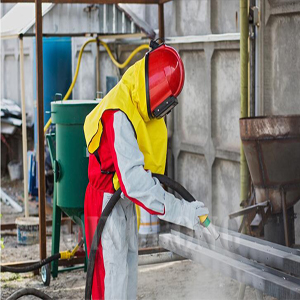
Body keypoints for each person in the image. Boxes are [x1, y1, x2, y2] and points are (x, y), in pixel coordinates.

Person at [83, 41, 209, 300]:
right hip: (105, 203)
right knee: (112, 284)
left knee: (127, 274)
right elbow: (135, 183)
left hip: (122, 201)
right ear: (156, 92)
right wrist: (184, 212)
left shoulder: (138, 100)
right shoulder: (120, 115)